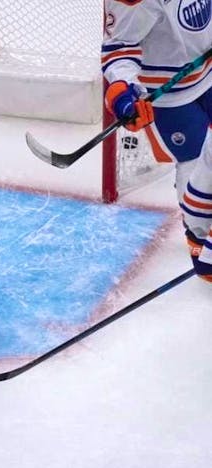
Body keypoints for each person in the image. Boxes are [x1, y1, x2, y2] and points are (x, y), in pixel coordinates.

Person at [102, 0, 212, 281]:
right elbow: (120, 46)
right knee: (194, 160)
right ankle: (199, 240)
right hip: (172, 95)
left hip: (209, 69)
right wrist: (122, 88)